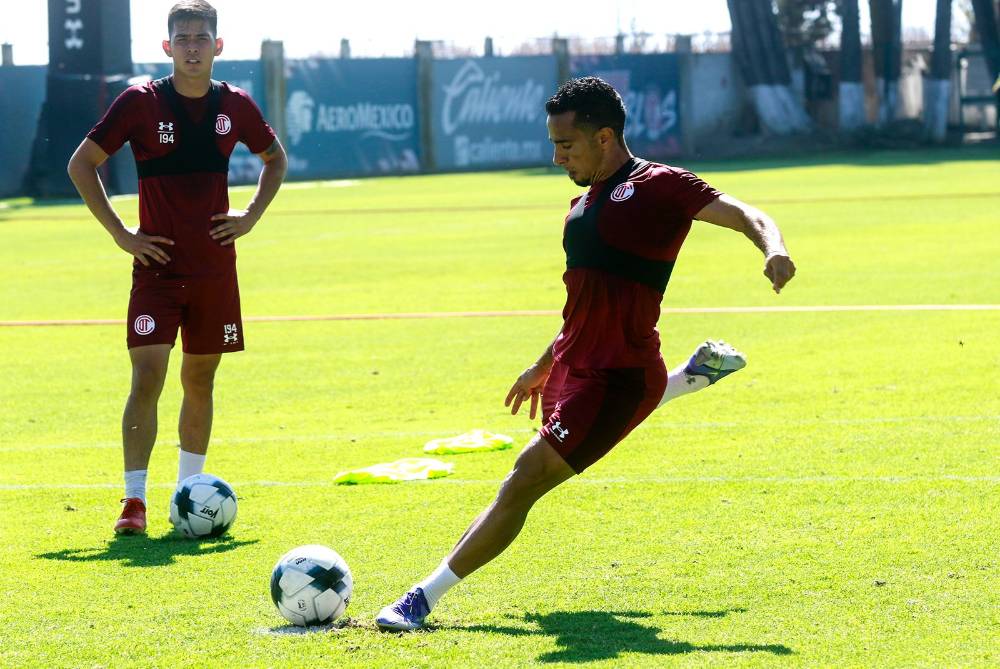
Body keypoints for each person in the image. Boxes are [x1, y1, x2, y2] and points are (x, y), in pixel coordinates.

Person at [376, 76, 795, 631]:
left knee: (523, 480)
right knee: (523, 481)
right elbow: (584, 306)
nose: (555, 157)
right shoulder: (581, 206)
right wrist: (546, 362)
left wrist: (775, 249)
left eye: (565, 145)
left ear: (604, 137)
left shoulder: (660, 185)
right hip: (578, 367)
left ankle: (421, 599)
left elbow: (745, 213)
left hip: (618, 376)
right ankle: (693, 374)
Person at [67, 0, 287, 535]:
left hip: (214, 269)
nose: (193, 46)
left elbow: (274, 158)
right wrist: (123, 234)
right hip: (157, 271)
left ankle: (189, 494)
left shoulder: (234, 104)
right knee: (148, 376)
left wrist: (250, 216)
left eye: (201, 37)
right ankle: (134, 500)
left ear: (218, 45)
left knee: (200, 379)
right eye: (183, 38)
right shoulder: (139, 103)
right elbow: (82, 164)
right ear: (167, 47)